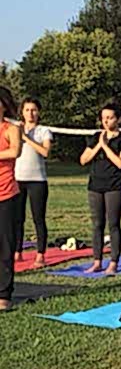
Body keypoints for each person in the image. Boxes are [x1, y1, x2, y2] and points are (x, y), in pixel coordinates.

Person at [79, 103, 121, 275]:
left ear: (118, 119)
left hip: (114, 186)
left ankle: (113, 262)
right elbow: (83, 160)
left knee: (113, 224)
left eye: (110, 118)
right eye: (104, 118)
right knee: (97, 224)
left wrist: (105, 146)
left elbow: (120, 163)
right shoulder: (96, 137)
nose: (106, 121)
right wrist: (99, 144)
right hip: (95, 186)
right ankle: (97, 261)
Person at [14, 98, 52, 267]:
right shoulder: (16, 128)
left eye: (34, 110)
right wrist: (19, 135)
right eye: (27, 110)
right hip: (17, 179)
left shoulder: (44, 131)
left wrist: (26, 138)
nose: (30, 113)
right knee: (17, 218)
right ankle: (17, 251)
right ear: (22, 112)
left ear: (39, 112)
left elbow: (45, 152)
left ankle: (40, 254)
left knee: (38, 218)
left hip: (37, 180)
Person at [0, 87, 22, 311]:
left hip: (6, 193)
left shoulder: (11, 129)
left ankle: (4, 293)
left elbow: (15, 152)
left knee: (5, 245)